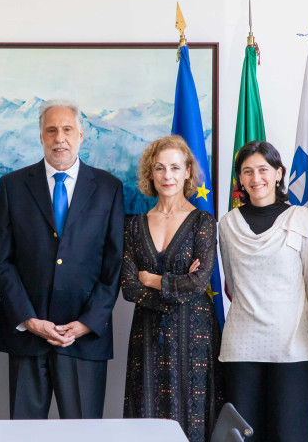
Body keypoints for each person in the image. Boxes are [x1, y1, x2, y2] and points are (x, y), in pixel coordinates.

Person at [0, 100, 125, 419]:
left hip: (84, 338)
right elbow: (4, 263)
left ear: (80, 134)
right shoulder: (13, 186)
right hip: (29, 336)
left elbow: (113, 266)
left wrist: (86, 323)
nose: (59, 138)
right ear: (40, 136)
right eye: (51, 130)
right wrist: (29, 320)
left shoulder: (109, 188)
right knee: (25, 437)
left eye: (67, 130)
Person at [121, 135, 223, 442]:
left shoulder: (203, 221)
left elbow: (198, 283)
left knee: (192, 414)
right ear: (150, 173)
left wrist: (150, 279)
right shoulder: (135, 224)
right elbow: (128, 287)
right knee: (147, 414)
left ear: (188, 172)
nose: (168, 176)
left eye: (175, 168)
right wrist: (175, 288)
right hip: (148, 333)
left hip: (195, 334)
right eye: (160, 168)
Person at [217, 141, 308, 441]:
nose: (255, 178)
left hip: (294, 349)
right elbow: (233, 285)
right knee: (243, 436)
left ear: (279, 173)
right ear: (240, 179)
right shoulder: (227, 224)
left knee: (292, 435)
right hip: (241, 351)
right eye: (247, 171)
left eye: (263, 169)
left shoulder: (302, 219)